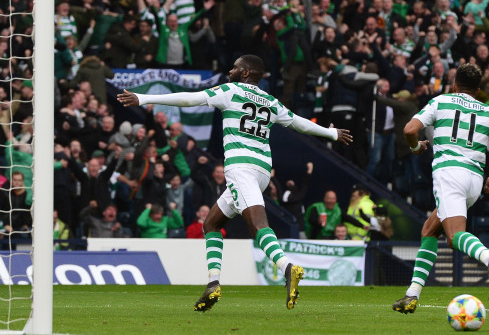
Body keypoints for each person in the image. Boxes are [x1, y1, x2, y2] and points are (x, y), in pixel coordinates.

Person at [118, 54, 352, 311]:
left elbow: (191, 98)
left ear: (245, 72)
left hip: (241, 168)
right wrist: (331, 132)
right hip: (262, 169)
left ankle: (288, 267)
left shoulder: (231, 90)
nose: (230, 70)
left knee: (257, 224)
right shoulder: (270, 101)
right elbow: (299, 123)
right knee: (211, 223)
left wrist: (144, 98)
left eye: (235, 67)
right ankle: (213, 284)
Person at [393, 63, 489, 314]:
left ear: (455, 85)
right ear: (478, 90)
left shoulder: (441, 102)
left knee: (453, 237)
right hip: (475, 180)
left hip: (449, 173)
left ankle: (488, 257)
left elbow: (409, 130)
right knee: (430, 229)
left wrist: (416, 148)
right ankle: (412, 294)